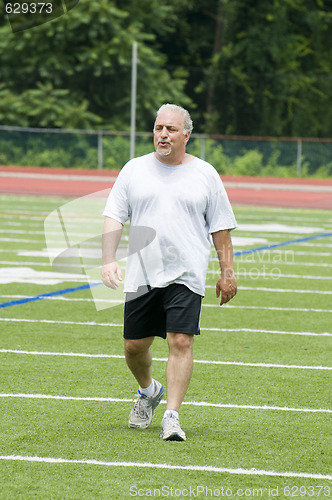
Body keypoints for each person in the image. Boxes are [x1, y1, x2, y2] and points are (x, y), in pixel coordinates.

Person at [102, 104, 237, 441]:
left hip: (186, 272)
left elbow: (220, 229)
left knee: (180, 340)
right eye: (159, 128)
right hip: (143, 273)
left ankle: (172, 416)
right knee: (134, 346)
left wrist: (227, 272)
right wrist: (108, 259)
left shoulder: (205, 174)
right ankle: (148, 390)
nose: (163, 134)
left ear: (186, 135)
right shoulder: (133, 170)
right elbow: (114, 216)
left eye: (171, 129)